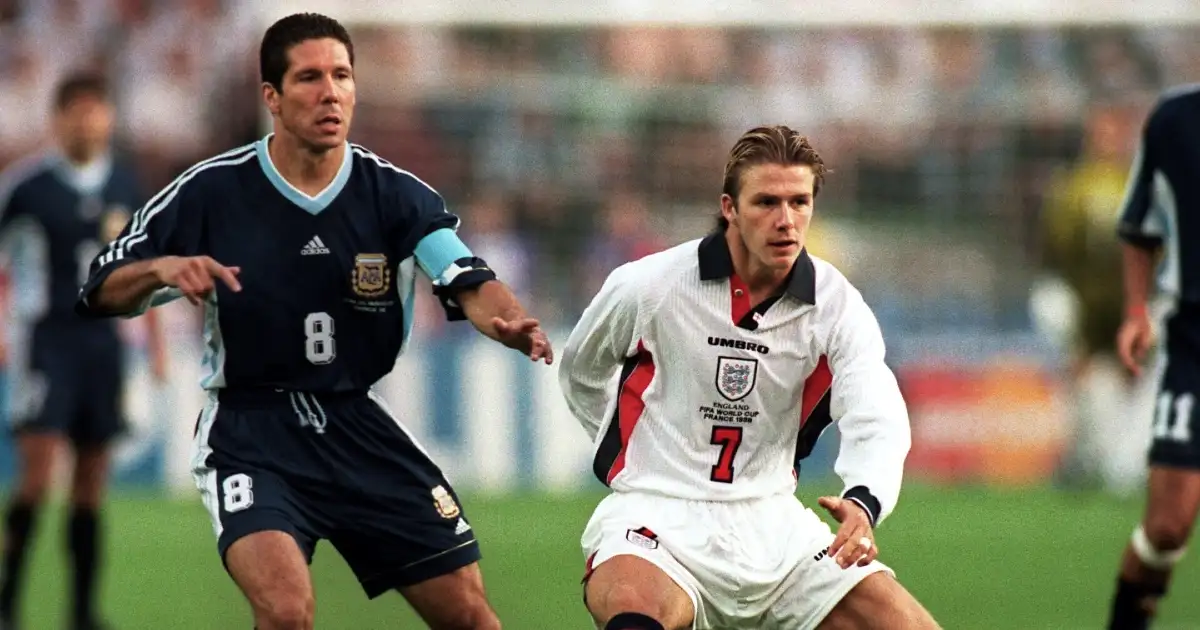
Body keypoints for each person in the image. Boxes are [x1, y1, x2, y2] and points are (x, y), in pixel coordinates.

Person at [75, 13, 550, 630]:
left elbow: (464, 276)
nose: (330, 92)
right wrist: (163, 268)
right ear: (270, 96)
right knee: (287, 611)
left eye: (342, 75)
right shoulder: (210, 193)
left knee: (471, 617)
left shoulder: (394, 194)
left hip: (358, 426)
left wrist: (507, 320)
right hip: (252, 433)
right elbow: (99, 288)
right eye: (309, 78)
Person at [559, 125, 939, 630]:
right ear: (729, 208)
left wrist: (865, 499)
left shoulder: (834, 304)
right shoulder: (650, 286)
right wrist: (636, 455)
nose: (786, 220)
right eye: (766, 202)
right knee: (634, 612)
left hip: (774, 526)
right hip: (657, 518)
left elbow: (876, 410)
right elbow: (581, 370)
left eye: (799, 202)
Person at [0, 72, 166, 630]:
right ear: (58, 119)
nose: (88, 120)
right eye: (77, 110)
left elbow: (148, 269)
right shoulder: (26, 188)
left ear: (110, 118)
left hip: (105, 344)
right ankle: (9, 601)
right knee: (38, 472)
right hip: (47, 341)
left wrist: (158, 344)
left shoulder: (125, 185)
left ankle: (81, 612)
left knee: (92, 479)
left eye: (97, 109)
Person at [1107, 85, 1200, 630]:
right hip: (1193, 340)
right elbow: (1140, 227)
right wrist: (1136, 310)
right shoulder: (1174, 121)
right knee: (1167, 526)